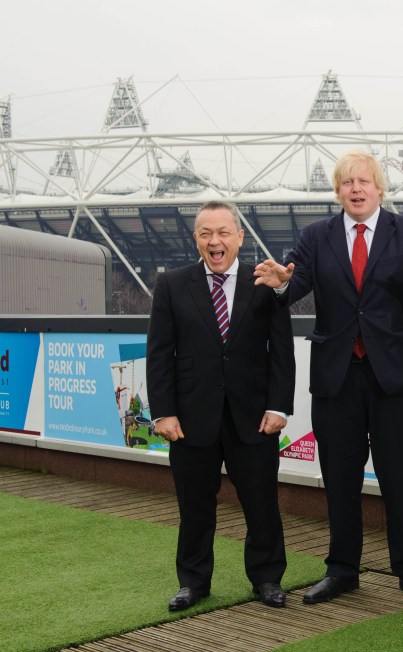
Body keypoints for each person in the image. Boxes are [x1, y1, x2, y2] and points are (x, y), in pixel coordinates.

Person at [253, 151, 403, 604]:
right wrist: (281, 283)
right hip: (337, 378)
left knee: (400, 478)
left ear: (380, 188)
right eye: (347, 183)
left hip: (396, 380)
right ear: (338, 191)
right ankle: (342, 569)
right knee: (340, 479)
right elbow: (293, 286)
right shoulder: (315, 236)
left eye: (364, 181)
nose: (356, 189)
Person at [146, 200, 295, 611]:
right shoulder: (172, 284)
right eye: (206, 233)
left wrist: (280, 406)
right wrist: (164, 411)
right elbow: (160, 353)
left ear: (239, 237)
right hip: (192, 420)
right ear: (196, 238)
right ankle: (193, 583)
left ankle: (267, 578)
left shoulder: (264, 282)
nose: (216, 241)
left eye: (224, 232)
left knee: (262, 503)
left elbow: (282, 351)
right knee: (194, 508)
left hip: (254, 418)